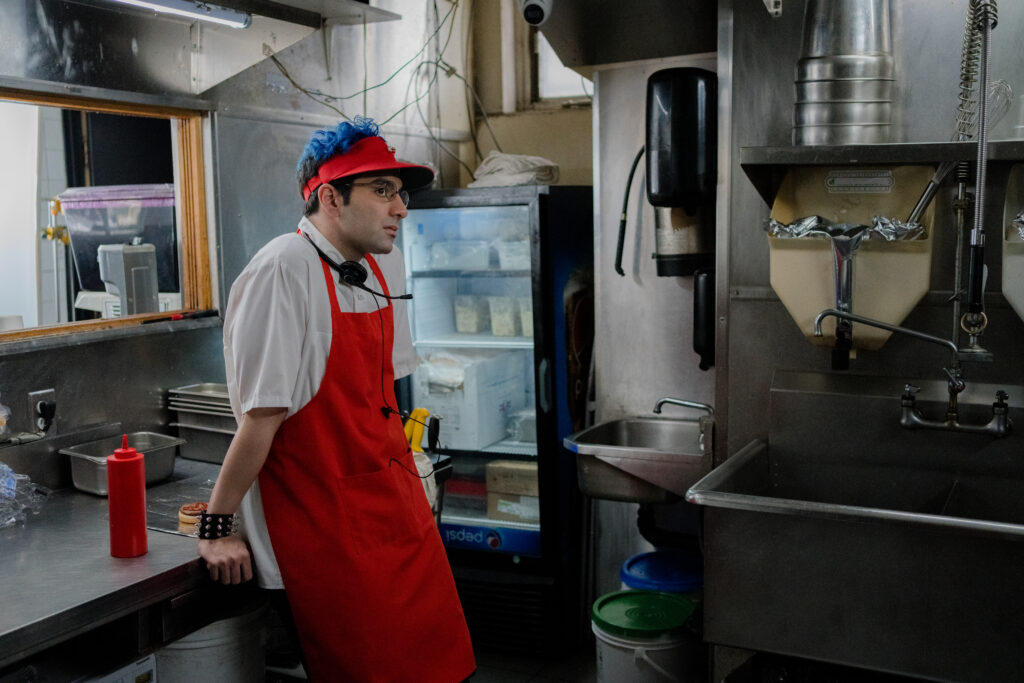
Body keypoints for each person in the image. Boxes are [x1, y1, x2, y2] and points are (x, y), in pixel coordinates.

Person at [197, 116, 476, 682]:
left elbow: (380, 396)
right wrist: (217, 526)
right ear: (329, 196)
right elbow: (261, 421)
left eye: (400, 193)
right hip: (325, 532)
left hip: (394, 513)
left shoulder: (378, 265)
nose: (401, 208)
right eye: (382, 191)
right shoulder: (282, 269)